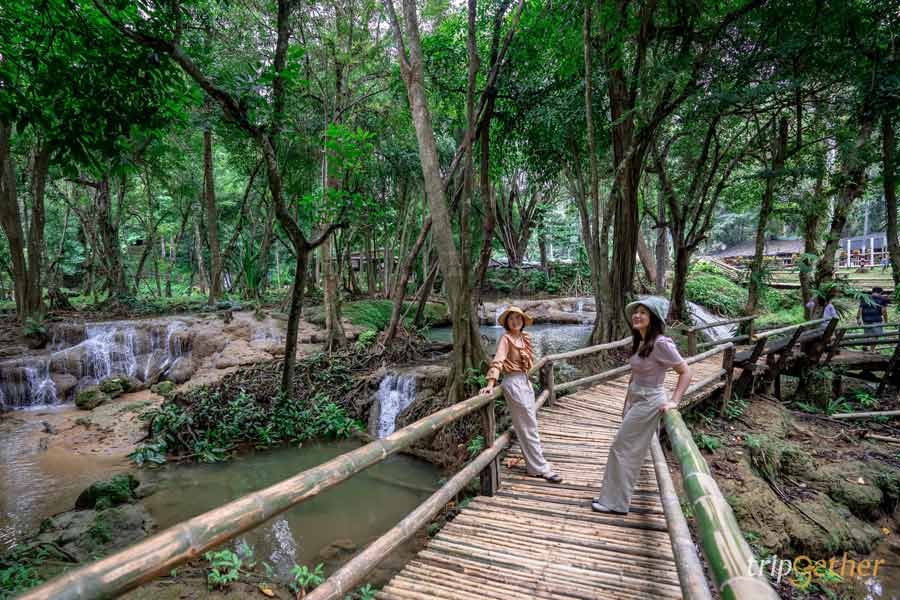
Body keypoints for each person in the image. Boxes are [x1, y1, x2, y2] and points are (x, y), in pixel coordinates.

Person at [592, 297, 692, 515]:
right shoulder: (641, 341)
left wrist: (674, 401)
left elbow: (685, 372)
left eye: (643, 313)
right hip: (637, 399)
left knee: (622, 447)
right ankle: (610, 497)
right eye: (636, 312)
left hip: (650, 401)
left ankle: (615, 503)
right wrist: (626, 403)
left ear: (653, 318)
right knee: (625, 448)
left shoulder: (661, 343)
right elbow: (634, 376)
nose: (637, 316)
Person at [479, 306, 562, 484]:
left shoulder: (524, 338)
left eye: (518, 318)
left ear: (523, 321)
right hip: (513, 384)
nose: (515, 321)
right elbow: (498, 361)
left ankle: (535, 466)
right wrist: (490, 384)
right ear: (507, 323)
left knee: (529, 425)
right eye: (511, 319)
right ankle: (541, 468)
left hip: (525, 383)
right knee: (528, 426)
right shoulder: (506, 339)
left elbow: (527, 365)